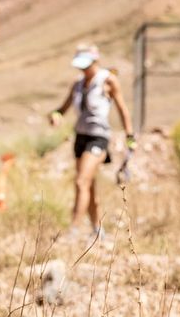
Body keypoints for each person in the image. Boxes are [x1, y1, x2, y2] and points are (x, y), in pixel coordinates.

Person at [49, 45, 134, 238]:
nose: (83, 70)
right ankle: (98, 229)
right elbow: (63, 108)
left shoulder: (108, 80)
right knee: (88, 185)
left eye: (86, 65)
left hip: (98, 137)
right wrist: (55, 115)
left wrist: (130, 136)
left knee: (81, 182)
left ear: (95, 61)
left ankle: (73, 230)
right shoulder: (78, 84)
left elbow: (122, 109)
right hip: (80, 137)